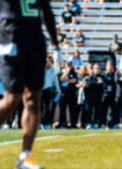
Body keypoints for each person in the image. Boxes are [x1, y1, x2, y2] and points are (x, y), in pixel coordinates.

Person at [0, 0, 58, 168]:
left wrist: (56, 45)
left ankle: (25, 156)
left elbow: (46, 10)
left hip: (36, 39)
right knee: (12, 98)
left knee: (33, 99)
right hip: (11, 35)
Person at [41, 56, 62, 130]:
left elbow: (55, 81)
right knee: (40, 107)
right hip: (40, 90)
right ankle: (39, 123)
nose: (48, 62)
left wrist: (58, 90)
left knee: (47, 108)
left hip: (48, 90)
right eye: (47, 60)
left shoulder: (53, 70)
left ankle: (46, 123)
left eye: (50, 60)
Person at [58, 61, 78, 128]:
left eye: (70, 65)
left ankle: (73, 124)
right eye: (68, 65)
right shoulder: (62, 72)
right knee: (63, 109)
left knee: (72, 109)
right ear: (65, 65)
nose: (69, 66)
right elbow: (61, 79)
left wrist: (66, 80)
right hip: (63, 93)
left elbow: (74, 80)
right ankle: (63, 123)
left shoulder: (74, 72)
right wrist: (66, 72)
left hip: (71, 93)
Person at [85, 64, 104, 129]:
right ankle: (89, 123)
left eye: (98, 68)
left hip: (98, 96)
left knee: (97, 110)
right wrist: (96, 82)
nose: (97, 69)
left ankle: (95, 123)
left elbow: (102, 84)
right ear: (93, 69)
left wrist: (96, 83)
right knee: (90, 110)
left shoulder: (102, 76)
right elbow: (89, 84)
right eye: (96, 68)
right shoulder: (91, 76)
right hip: (90, 97)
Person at [100, 61, 117, 128]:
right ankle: (103, 123)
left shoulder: (114, 75)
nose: (110, 67)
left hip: (112, 94)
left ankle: (110, 124)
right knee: (103, 109)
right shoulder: (103, 75)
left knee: (111, 110)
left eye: (111, 65)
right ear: (106, 67)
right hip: (105, 94)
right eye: (109, 65)